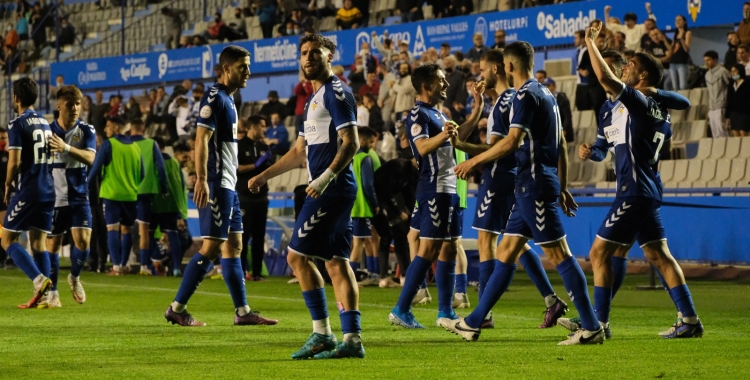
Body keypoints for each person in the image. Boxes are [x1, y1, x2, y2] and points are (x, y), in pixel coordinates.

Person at [446, 41, 603, 345]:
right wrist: (564, 185)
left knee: (559, 254)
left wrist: (473, 161)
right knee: (506, 252)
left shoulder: (525, 95)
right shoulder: (547, 94)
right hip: (531, 185)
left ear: (509, 66)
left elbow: (511, 142)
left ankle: (591, 326)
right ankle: (473, 322)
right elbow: (561, 143)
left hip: (533, 185)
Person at [572, 22, 703, 339]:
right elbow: (607, 149)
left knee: (599, 254)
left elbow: (604, 77)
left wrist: (589, 42)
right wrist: (592, 151)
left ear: (642, 76)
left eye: (630, 65)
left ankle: (596, 325)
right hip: (645, 190)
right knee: (657, 255)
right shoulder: (611, 109)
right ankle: (690, 320)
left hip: (633, 191)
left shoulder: (641, 102)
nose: (625, 68)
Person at [248, 34, 364, 359]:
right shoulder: (313, 100)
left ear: (330, 57)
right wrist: (263, 175)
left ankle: (322, 334)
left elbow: (351, 142)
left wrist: (326, 177)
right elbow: (299, 152)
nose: (308, 57)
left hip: (330, 188)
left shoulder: (336, 93)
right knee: (337, 263)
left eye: (315, 52)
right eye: (304, 53)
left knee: (296, 258)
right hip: (334, 188)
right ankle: (352, 340)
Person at [449, 50, 568, 329]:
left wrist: (465, 150)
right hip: (514, 177)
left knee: (487, 241)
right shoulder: (503, 100)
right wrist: (480, 103)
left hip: (500, 176)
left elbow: (499, 147)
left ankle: (483, 314)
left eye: (483, 70)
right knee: (516, 243)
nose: (480, 76)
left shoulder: (506, 101)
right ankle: (551, 300)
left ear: (498, 69)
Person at [165, 46, 277, 327]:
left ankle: (242, 313)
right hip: (216, 182)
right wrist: (202, 179)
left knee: (235, 246)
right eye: (242, 67)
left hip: (230, 183)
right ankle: (177, 308)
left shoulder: (229, 99)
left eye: (248, 66)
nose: (248, 72)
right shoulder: (214, 98)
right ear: (226, 69)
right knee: (212, 246)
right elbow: (200, 139)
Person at [388, 63, 484, 329]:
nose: (445, 84)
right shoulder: (418, 114)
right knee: (429, 249)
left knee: (450, 248)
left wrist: (477, 109)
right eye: (441, 80)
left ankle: (445, 312)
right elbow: (421, 147)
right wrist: (443, 135)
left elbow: (457, 138)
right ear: (426, 86)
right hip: (434, 188)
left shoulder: (439, 114)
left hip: (450, 188)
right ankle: (401, 309)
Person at [2, 77, 55, 308]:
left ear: (16, 98)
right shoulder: (45, 122)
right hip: (48, 189)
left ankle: (38, 280)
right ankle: (49, 297)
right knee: (38, 242)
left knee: (7, 238)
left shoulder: (17, 124)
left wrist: (7, 184)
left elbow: (13, 162)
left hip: (29, 189)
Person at [43, 85, 96, 307]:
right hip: (54, 198)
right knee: (52, 245)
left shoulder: (86, 131)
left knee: (83, 242)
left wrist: (66, 148)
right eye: (70, 104)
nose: (75, 108)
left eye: (77, 104)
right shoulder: (46, 131)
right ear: (59, 106)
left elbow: (91, 158)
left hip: (79, 196)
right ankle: (53, 291)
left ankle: (74, 277)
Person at [88, 116, 141, 276]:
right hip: (131, 194)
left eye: (108, 126)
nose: (105, 129)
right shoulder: (135, 147)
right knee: (127, 230)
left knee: (112, 228)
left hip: (111, 194)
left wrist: (85, 186)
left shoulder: (108, 144)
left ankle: (116, 267)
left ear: (116, 128)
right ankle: (124, 265)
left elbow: (95, 169)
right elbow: (142, 173)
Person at [129, 118, 168, 275]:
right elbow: (161, 167)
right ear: (143, 128)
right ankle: (144, 266)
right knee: (144, 230)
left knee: (124, 229)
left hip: (126, 190)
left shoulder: (125, 143)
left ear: (131, 129)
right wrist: (163, 187)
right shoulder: (152, 144)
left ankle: (121, 264)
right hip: (146, 190)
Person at [236, 116, 272, 281]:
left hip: (261, 197)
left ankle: (257, 273)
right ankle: (241, 272)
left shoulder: (264, 147)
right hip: (245, 197)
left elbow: (268, 168)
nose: (264, 130)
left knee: (259, 236)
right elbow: (236, 168)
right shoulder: (240, 146)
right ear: (253, 127)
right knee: (243, 236)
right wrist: (255, 166)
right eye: (262, 126)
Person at [150, 136, 188, 277]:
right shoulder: (174, 162)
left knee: (150, 234)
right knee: (173, 235)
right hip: (172, 205)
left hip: (156, 203)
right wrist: (180, 212)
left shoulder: (152, 161)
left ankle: (149, 265)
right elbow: (181, 187)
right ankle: (177, 268)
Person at [349, 126, 380, 286]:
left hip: (352, 206)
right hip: (362, 208)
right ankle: (350, 278)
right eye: (370, 141)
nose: (372, 145)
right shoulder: (365, 158)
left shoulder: (350, 157)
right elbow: (368, 185)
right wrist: (375, 203)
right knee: (359, 244)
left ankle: (373, 273)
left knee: (364, 241)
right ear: (362, 140)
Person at [704, 51, 731, 138]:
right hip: (712, 106)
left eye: (708, 60)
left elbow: (730, 87)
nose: (706, 62)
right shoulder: (707, 74)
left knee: (722, 130)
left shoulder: (723, 71)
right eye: (705, 60)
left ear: (715, 60)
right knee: (714, 131)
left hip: (721, 105)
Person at [543, 78, 574, 143]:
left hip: (560, 130)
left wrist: (564, 129)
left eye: (548, 85)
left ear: (554, 86)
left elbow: (567, 116)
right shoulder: (544, 99)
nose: (546, 88)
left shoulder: (561, 98)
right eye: (544, 86)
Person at [726, 63, 750, 137]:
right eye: (731, 71)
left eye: (735, 71)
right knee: (736, 136)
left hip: (744, 113)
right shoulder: (731, 84)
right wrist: (727, 116)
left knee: (743, 134)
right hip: (734, 113)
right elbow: (729, 100)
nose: (733, 73)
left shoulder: (747, 83)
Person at [670, 15, 692, 91]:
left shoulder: (687, 33)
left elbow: (687, 49)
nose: (677, 22)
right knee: (675, 87)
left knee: (683, 86)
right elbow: (671, 49)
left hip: (682, 62)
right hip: (673, 62)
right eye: (676, 20)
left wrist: (682, 39)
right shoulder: (675, 34)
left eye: (679, 20)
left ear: (684, 22)